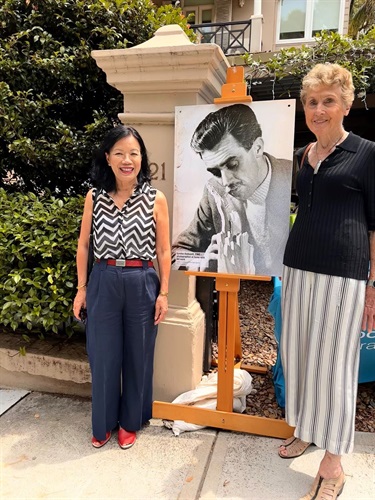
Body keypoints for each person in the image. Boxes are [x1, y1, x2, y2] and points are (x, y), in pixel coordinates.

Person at [279, 63, 375, 500]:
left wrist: (373, 286)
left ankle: (333, 462)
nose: (319, 109)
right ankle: (307, 429)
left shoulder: (368, 154)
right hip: (298, 267)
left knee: (335, 367)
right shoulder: (304, 155)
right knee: (299, 356)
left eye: (328, 101)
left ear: (346, 104)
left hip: (344, 273)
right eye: (312, 102)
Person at [73, 125, 171, 450]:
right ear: (108, 158)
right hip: (103, 279)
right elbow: (84, 245)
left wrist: (164, 293)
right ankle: (102, 424)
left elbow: (164, 250)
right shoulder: (95, 197)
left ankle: (130, 422)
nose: (127, 160)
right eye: (119, 153)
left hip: (142, 281)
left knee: (138, 355)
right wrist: (82, 288)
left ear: (142, 158)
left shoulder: (156, 199)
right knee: (103, 355)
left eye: (133, 153)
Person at [172, 103, 292, 276]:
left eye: (233, 164)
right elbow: (178, 252)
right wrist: (201, 262)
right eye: (215, 172)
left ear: (257, 148)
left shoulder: (293, 176)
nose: (226, 182)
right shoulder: (213, 191)